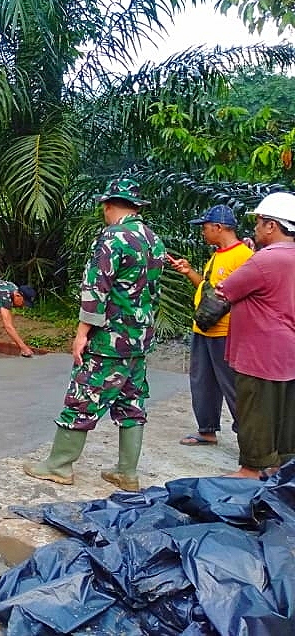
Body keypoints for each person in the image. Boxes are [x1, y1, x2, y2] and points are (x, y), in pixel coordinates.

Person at [24, 178, 165, 491]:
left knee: (83, 396)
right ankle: (127, 473)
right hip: (139, 338)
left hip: (109, 338)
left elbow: (96, 288)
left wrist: (82, 332)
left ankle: (59, 465)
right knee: (132, 401)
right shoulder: (154, 240)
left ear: (109, 205)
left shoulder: (112, 238)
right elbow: (153, 292)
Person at [215, 192, 295, 479]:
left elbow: (226, 289)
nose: (256, 228)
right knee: (285, 414)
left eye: (260, 222)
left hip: (259, 352)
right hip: (288, 353)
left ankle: (251, 470)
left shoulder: (265, 261)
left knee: (255, 411)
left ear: (272, 225)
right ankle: (280, 468)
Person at [166, 205, 253, 446]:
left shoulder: (243, 256)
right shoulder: (218, 254)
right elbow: (207, 288)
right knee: (202, 380)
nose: (203, 232)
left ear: (218, 227)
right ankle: (207, 429)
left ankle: (249, 437)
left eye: (205, 227)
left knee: (232, 384)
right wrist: (189, 272)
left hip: (226, 331)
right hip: (204, 327)